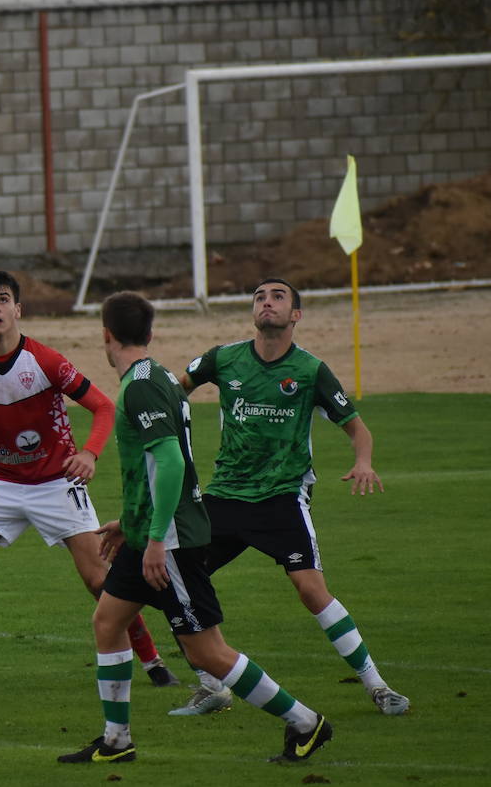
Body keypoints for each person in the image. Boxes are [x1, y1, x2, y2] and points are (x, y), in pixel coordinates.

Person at [59, 290, 332, 765]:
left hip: (170, 541)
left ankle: (306, 721)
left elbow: (170, 463)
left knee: (208, 652)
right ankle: (117, 740)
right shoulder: (159, 375)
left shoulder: (141, 386)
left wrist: (156, 538)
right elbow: (158, 466)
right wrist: (132, 523)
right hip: (149, 533)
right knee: (107, 621)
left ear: (106, 335)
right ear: (149, 333)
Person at [0, 270, 177, 686]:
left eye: (3, 300)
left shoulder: (45, 361)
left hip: (58, 485)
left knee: (99, 579)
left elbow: (103, 407)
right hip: (3, 486)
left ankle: (152, 661)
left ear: (18, 310)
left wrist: (89, 453)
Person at [172, 277, 409, 717]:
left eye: (278, 297)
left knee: (310, 589)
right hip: (225, 495)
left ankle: (378, 686)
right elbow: (175, 390)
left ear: (295, 315)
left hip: (282, 497)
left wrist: (364, 462)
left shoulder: (310, 370)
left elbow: (358, 429)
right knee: (178, 582)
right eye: (259, 296)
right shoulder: (223, 358)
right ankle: (212, 687)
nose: (267, 302)